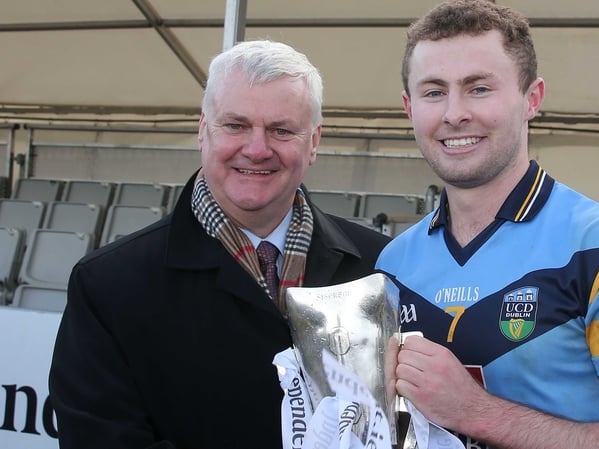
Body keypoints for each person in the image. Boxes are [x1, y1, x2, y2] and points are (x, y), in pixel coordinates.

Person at [376, 1, 599, 448]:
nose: (454, 113)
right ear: (409, 108)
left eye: (479, 88)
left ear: (533, 99)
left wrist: (475, 412)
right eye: (434, 92)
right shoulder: (392, 264)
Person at [49, 39, 391, 449]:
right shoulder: (108, 285)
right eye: (236, 125)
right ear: (202, 130)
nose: (257, 149)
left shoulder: (378, 266)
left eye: (281, 130)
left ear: (314, 141)